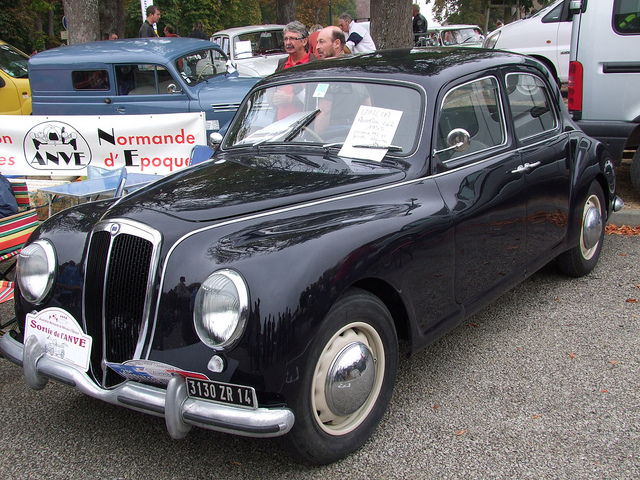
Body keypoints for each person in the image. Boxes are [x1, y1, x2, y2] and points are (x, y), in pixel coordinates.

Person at [272, 21, 317, 120]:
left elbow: (316, 102)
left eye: (292, 38)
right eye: (286, 39)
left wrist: (290, 99)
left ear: (304, 41)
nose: (288, 43)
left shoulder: (315, 65)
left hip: (304, 126)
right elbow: (272, 92)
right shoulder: (282, 64)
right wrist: (273, 99)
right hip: (281, 126)